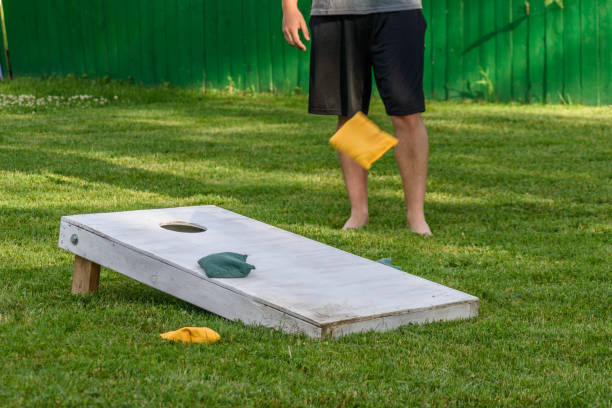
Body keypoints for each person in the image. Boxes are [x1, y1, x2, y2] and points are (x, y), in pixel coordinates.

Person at [281, 0, 432, 235]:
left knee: (407, 114)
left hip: (398, 9)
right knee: (349, 114)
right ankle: (358, 212)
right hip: (335, 11)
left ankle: (416, 217)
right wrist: (289, 8)